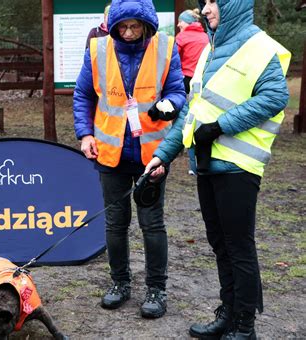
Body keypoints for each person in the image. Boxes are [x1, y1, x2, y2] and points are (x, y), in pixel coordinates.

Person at [145, 0, 290, 338]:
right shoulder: (211, 51)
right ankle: (228, 313)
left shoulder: (259, 46)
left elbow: (274, 96)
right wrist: (163, 155)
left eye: (213, 2)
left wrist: (220, 125)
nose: (206, 9)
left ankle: (244, 326)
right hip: (207, 164)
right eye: (203, 3)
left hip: (238, 167)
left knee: (239, 247)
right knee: (220, 245)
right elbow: (191, 113)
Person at [73, 0, 185, 319]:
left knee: (152, 223)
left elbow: (178, 92)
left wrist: (168, 106)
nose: (129, 32)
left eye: (136, 26)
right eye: (123, 26)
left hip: (153, 155)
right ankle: (120, 284)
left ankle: (156, 289)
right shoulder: (97, 50)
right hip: (111, 153)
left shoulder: (166, 47)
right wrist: (85, 135)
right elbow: (83, 95)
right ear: (114, 26)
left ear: (147, 25)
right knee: (115, 223)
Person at [175, 8, 209, 94]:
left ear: (188, 22)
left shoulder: (182, 36)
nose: (178, 25)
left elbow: (173, 58)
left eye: (180, 21)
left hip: (185, 79)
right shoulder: (206, 36)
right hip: (202, 79)